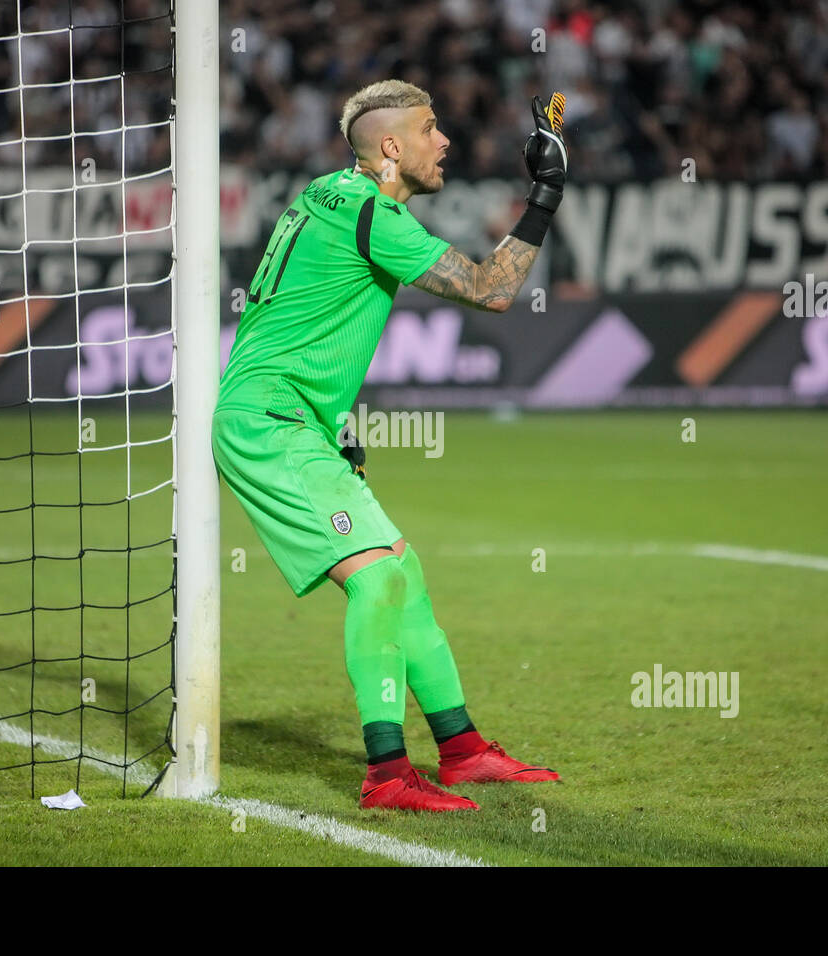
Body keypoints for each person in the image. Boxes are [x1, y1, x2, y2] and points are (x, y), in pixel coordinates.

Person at [211, 80, 566, 812]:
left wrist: (337, 422)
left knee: (405, 572)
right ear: (392, 148)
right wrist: (547, 192)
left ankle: (463, 751)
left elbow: (301, 313)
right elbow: (491, 288)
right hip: (269, 423)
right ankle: (386, 774)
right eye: (431, 130)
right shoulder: (375, 214)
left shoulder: (330, 194)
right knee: (376, 581)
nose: (446, 143)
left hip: (293, 415)